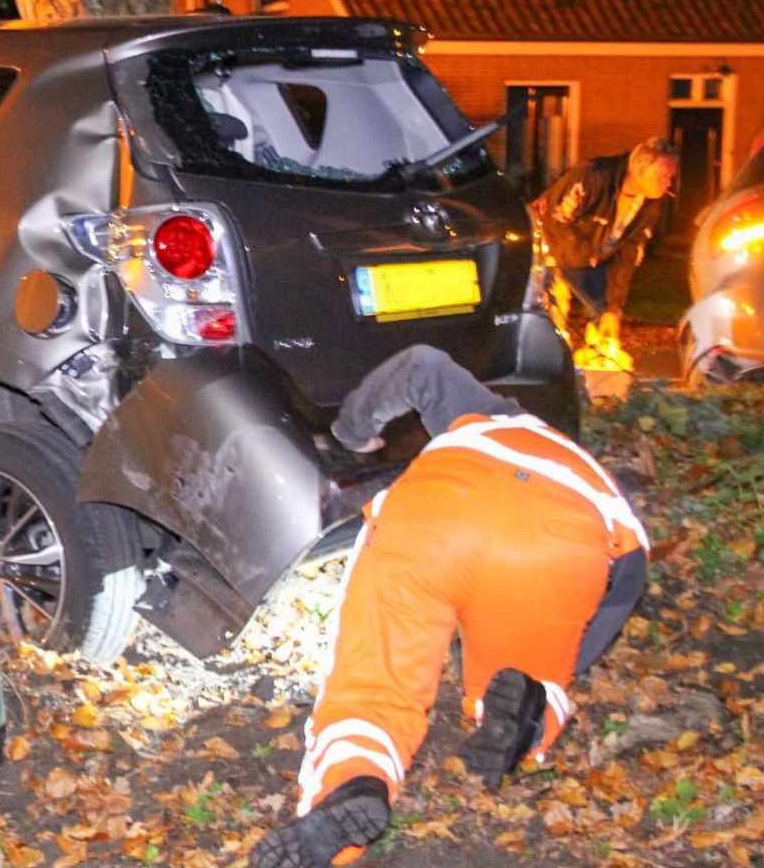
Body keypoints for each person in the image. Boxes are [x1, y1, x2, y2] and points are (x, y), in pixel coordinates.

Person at [252, 345, 648, 868]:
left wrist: (353, 432)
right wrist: (562, 669)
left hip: (436, 510)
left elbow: (420, 364)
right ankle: (529, 713)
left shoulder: (484, 417)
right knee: (534, 677)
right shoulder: (595, 480)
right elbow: (620, 592)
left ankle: (353, 780)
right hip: (563, 534)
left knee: (373, 690)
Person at [532, 137, 680, 349]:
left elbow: (628, 253)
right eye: (663, 176)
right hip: (545, 250)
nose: (668, 184)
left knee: (605, 317)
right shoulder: (592, 177)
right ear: (640, 169)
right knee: (550, 317)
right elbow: (554, 225)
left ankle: (595, 358)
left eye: (671, 177)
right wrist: (567, 273)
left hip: (588, 260)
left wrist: (613, 306)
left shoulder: (649, 204)